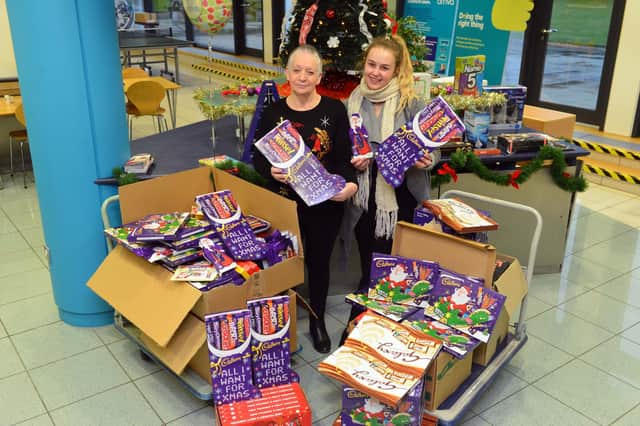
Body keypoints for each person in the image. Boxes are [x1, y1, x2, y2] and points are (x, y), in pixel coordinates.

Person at [252, 44, 358, 353]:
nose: (302, 77)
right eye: (296, 70)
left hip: (323, 204)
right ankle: (275, 325)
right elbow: (257, 158)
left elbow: (342, 158)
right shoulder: (274, 112)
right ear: (286, 73)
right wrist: (270, 171)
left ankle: (317, 319)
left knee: (318, 262)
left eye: (309, 72)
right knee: (280, 263)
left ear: (319, 76)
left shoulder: (334, 109)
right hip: (284, 203)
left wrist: (348, 185)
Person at [341, 35, 441, 333]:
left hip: (401, 198)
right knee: (369, 261)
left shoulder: (411, 102)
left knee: (391, 268)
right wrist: (352, 160)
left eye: (384, 67)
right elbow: (347, 147)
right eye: (371, 64)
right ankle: (367, 328)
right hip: (364, 196)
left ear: (397, 71)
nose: (375, 72)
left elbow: (433, 148)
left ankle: (364, 328)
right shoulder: (353, 101)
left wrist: (427, 159)